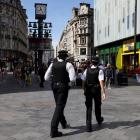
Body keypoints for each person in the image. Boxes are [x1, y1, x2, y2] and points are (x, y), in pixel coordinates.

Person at [44, 50, 76, 138]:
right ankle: (53, 130)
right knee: (59, 106)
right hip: (63, 87)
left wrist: (54, 81)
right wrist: (69, 84)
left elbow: (46, 77)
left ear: (58, 57)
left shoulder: (52, 64)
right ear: (66, 57)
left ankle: (64, 123)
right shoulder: (68, 64)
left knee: (58, 105)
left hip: (54, 87)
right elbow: (72, 79)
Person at [81, 57, 106, 132]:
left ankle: (88, 127)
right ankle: (99, 119)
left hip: (88, 90)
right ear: (98, 62)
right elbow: (101, 82)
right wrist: (103, 92)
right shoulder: (100, 70)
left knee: (89, 107)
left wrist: (83, 89)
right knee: (97, 105)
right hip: (96, 90)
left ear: (91, 62)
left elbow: (83, 80)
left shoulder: (86, 70)